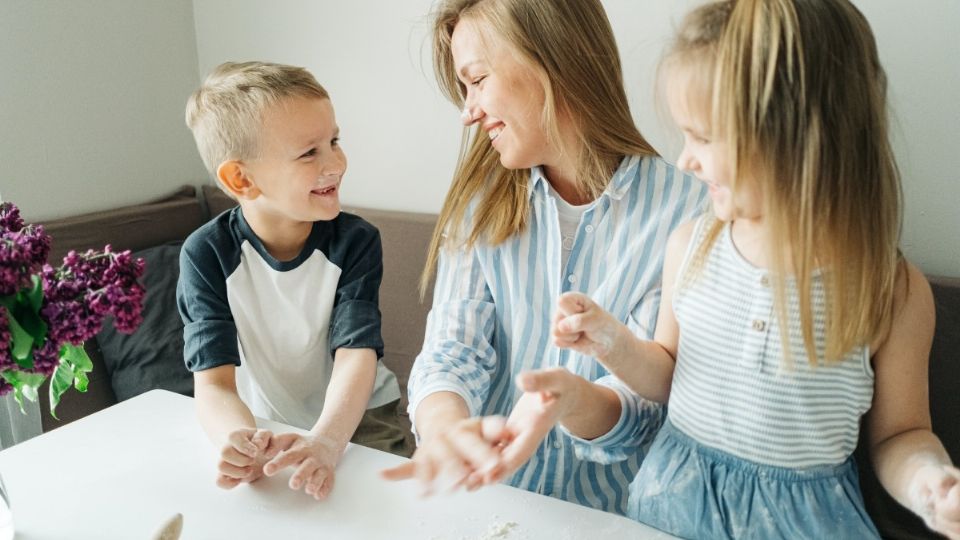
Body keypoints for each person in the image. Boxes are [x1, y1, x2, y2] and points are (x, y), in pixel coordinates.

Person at [509, 0, 960, 537]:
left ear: (793, 136)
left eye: (702, 137)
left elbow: (900, 434)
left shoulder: (890, 289)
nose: (685, 161)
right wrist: (611, 340)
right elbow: (668, 373)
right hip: (674, 506)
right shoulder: (692, 246)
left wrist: (930, 483)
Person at [381, 0, 705, 515]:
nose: (468, 112)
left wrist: (569, 401)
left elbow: (645, 405)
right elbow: (451, 351)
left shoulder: (689, 213)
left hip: (609, 518)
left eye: (478, 79)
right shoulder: (478, 203)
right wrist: (446, 433)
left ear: (555, 60)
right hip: (485, 505)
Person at [179, 61, 410, 501]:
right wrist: (237, 439)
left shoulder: (356, 241)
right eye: (310, 152)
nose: (336, 162)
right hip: (266, 421)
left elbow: (356, 356)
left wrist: (327, 440)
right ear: (240, 178)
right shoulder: (205, 255)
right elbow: (213, 384)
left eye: (334, 141)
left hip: (358, 415)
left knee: (383, 508)